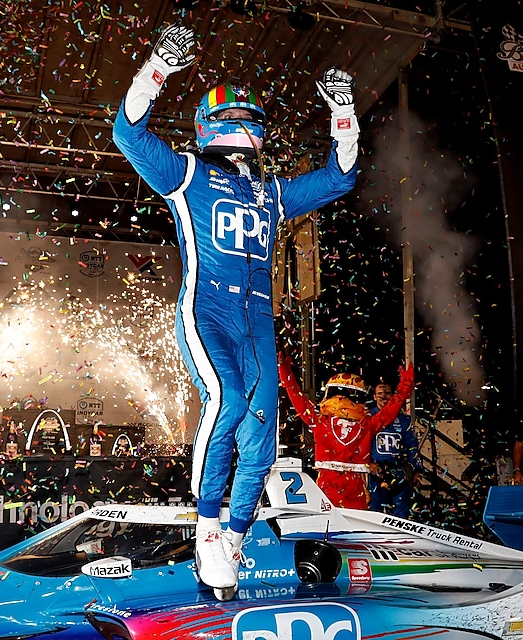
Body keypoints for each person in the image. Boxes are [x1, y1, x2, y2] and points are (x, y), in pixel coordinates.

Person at [113, 23, 361, 594]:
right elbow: (128, 133)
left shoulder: (270, 193)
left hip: (258, 326)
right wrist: (158, 67)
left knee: (263, 440)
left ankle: (235, 533)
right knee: (224, 400)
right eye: (238, 121)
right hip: (208, 315)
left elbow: (341, 178)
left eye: (252, 121)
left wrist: (342, 115)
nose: (246, 130)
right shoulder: (190, 174)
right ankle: (205, 525)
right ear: (209, 128)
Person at [278, 352, 414, 510]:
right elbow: (389, 411)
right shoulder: (366, 424)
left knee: (337, 528)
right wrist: (405, 386)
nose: (343, 400)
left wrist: (287, 376)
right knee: (351, 528)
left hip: (340, 489)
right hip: (344, 489)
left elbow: (299, 400)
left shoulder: (320, 421)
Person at [368, 381, 423, 518]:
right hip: (375, 473)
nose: (383, 397)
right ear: (374, 397)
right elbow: (359, 445)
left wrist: (417, 471)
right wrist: (367, 464)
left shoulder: (403, 420)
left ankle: (399, 540)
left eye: (387, 393)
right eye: (379, 394)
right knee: (374, 514)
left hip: (399, 472)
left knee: (401, 515)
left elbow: (412, 446)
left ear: (392, 396)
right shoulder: (367, 418)